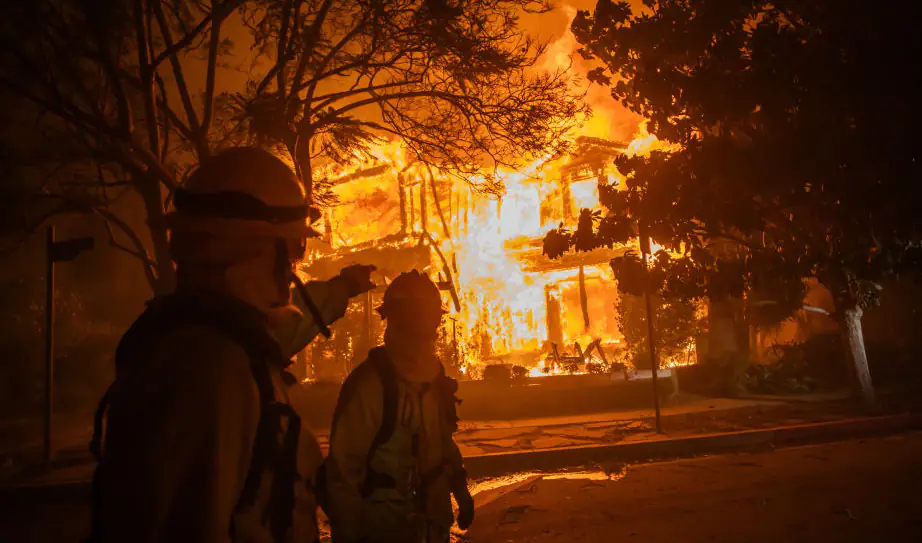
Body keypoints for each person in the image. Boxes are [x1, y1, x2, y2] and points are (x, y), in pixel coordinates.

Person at [86, 147, 375, 543]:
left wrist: (344, 287)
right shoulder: (209, 369)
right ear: (254, 249)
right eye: (293, 249)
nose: (294, 267)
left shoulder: (219, 343)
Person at [324, 270, 474, 543]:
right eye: (423, 317)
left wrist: (461, 492)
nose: (430, 327)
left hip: (431, 527)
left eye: (432, 318)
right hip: (383, 530)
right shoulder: (370, 385)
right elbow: (342, 474)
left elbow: (442, 443)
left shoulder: (433, 377)